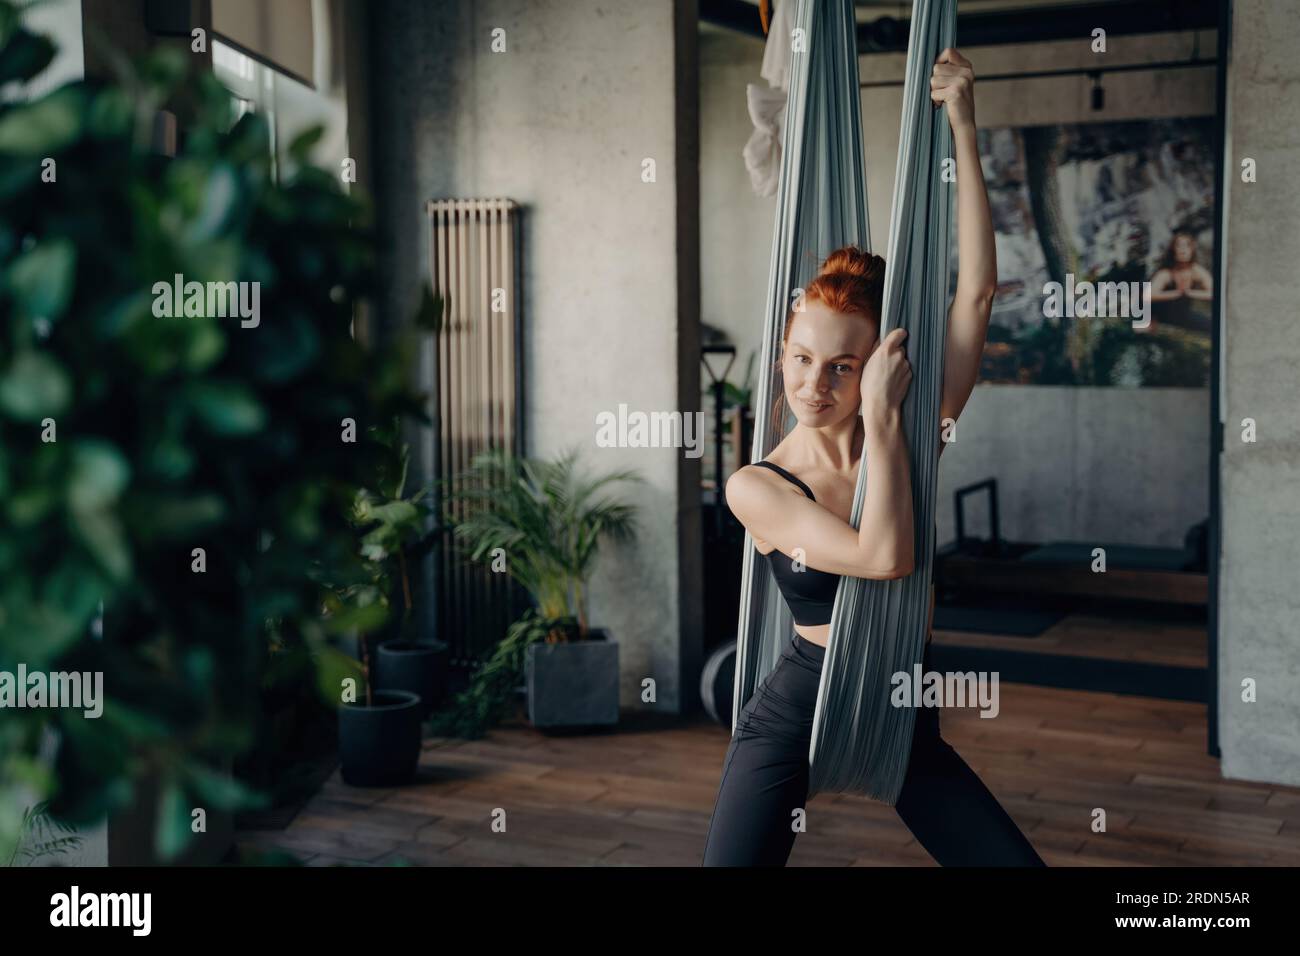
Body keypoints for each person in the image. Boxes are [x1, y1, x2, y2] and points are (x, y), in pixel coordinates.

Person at [702, 48, 1045, 867]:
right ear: (779, 351)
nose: (813, 385)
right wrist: (888, 418)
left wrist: (964, 123)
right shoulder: (756, 484)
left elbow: (975, 296)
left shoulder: (914, 425)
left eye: (843, 367)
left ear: (876, 363)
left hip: (902, 704)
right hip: (796, 708)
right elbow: (883, 556)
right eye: (799, 359)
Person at [1149, 231, 1213, 334]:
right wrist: (1177, 293)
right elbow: (1148, 295)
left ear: (1192, 250)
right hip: (1161, 314)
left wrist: (1189, 293)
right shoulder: (1166, 272)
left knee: (1211, 325)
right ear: (1173, 250)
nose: (1183, 250)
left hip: (1182, 315)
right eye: (1179, 246)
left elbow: (1214, 293)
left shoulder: (1196, 270)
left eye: (1187, 246)